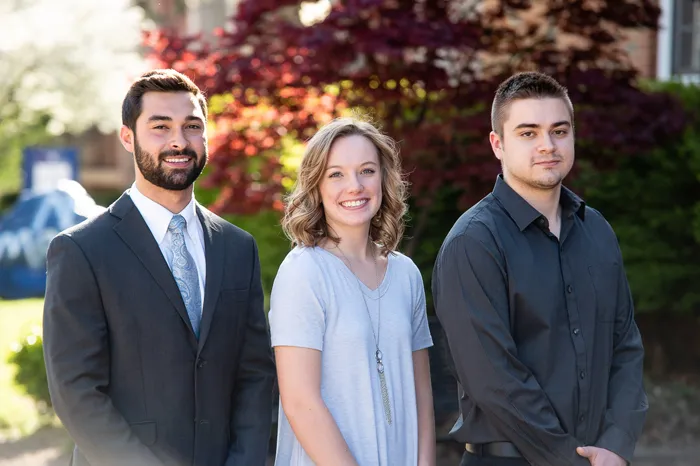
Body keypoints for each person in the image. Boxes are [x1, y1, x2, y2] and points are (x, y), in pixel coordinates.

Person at [43, 69, 276, 466]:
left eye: (192, 126)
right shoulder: (81, 250)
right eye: (160, 126)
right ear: (128, 137)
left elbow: (255, 374)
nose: (178, 141)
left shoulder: (238, 248)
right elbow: (76, 391)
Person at [432, 71, 647, 466]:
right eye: (528, 133)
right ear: (498, 144)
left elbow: (626, 346)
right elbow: (493, 380)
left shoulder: (596, 231)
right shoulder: (474, 243)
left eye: (559, 131)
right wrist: (570, 458)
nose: (547, 145)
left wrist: (617, 443)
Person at [268, 117, 436, 465]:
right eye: (336, 174)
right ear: (315, 185)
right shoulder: (304, 272)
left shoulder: (406, 274)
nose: (355, 186)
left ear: (384, 178)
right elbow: (301, 402)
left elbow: (422, 395)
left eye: (367, 170)